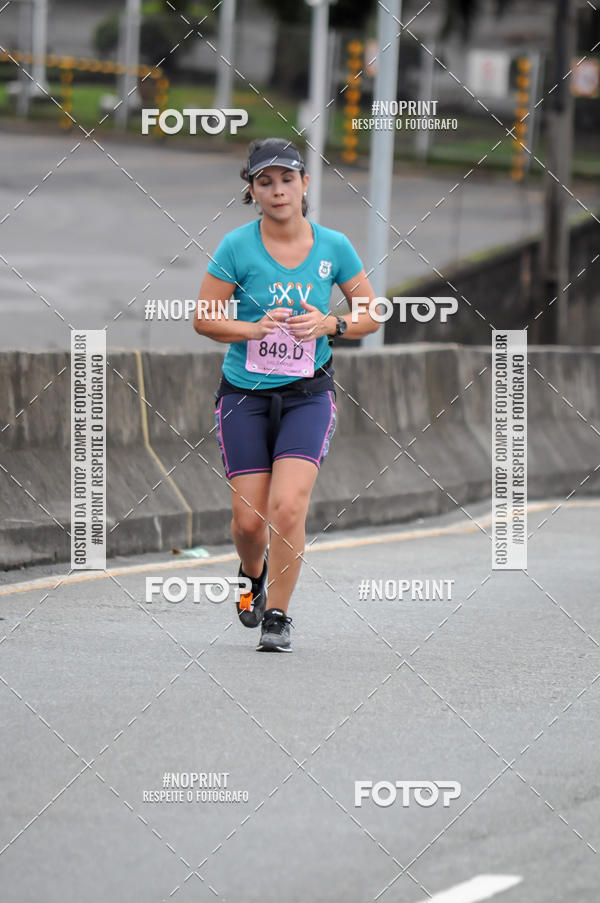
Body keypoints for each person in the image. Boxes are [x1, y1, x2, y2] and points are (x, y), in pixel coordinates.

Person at [194, 137, 379, 652]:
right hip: (245, 396)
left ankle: (277, 614)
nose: (278, 191)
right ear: (252, 191)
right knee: (249, 523)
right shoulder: (235, 246)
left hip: (308, 395)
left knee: (288, 510)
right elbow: (203, 319)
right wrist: (252, 330)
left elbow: (371, 312)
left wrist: (331, 322)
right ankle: (251, 575)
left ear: (305, 184)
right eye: (265, 182)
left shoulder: (333, 246)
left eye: (287, 180)